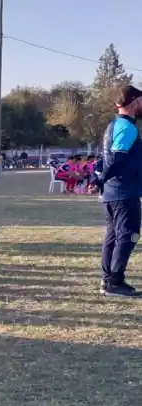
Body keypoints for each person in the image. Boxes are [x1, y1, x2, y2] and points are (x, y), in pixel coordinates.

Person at [99, 84, 142, 298]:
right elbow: (116, 158)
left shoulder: (113, 125)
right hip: (124, 192)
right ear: (135, 102)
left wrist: (100, 179)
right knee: (128, 235)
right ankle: (114, 282)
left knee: (114, 236)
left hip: (113, 193)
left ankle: (109, 280)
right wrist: (103, 177)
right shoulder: (128, 127)